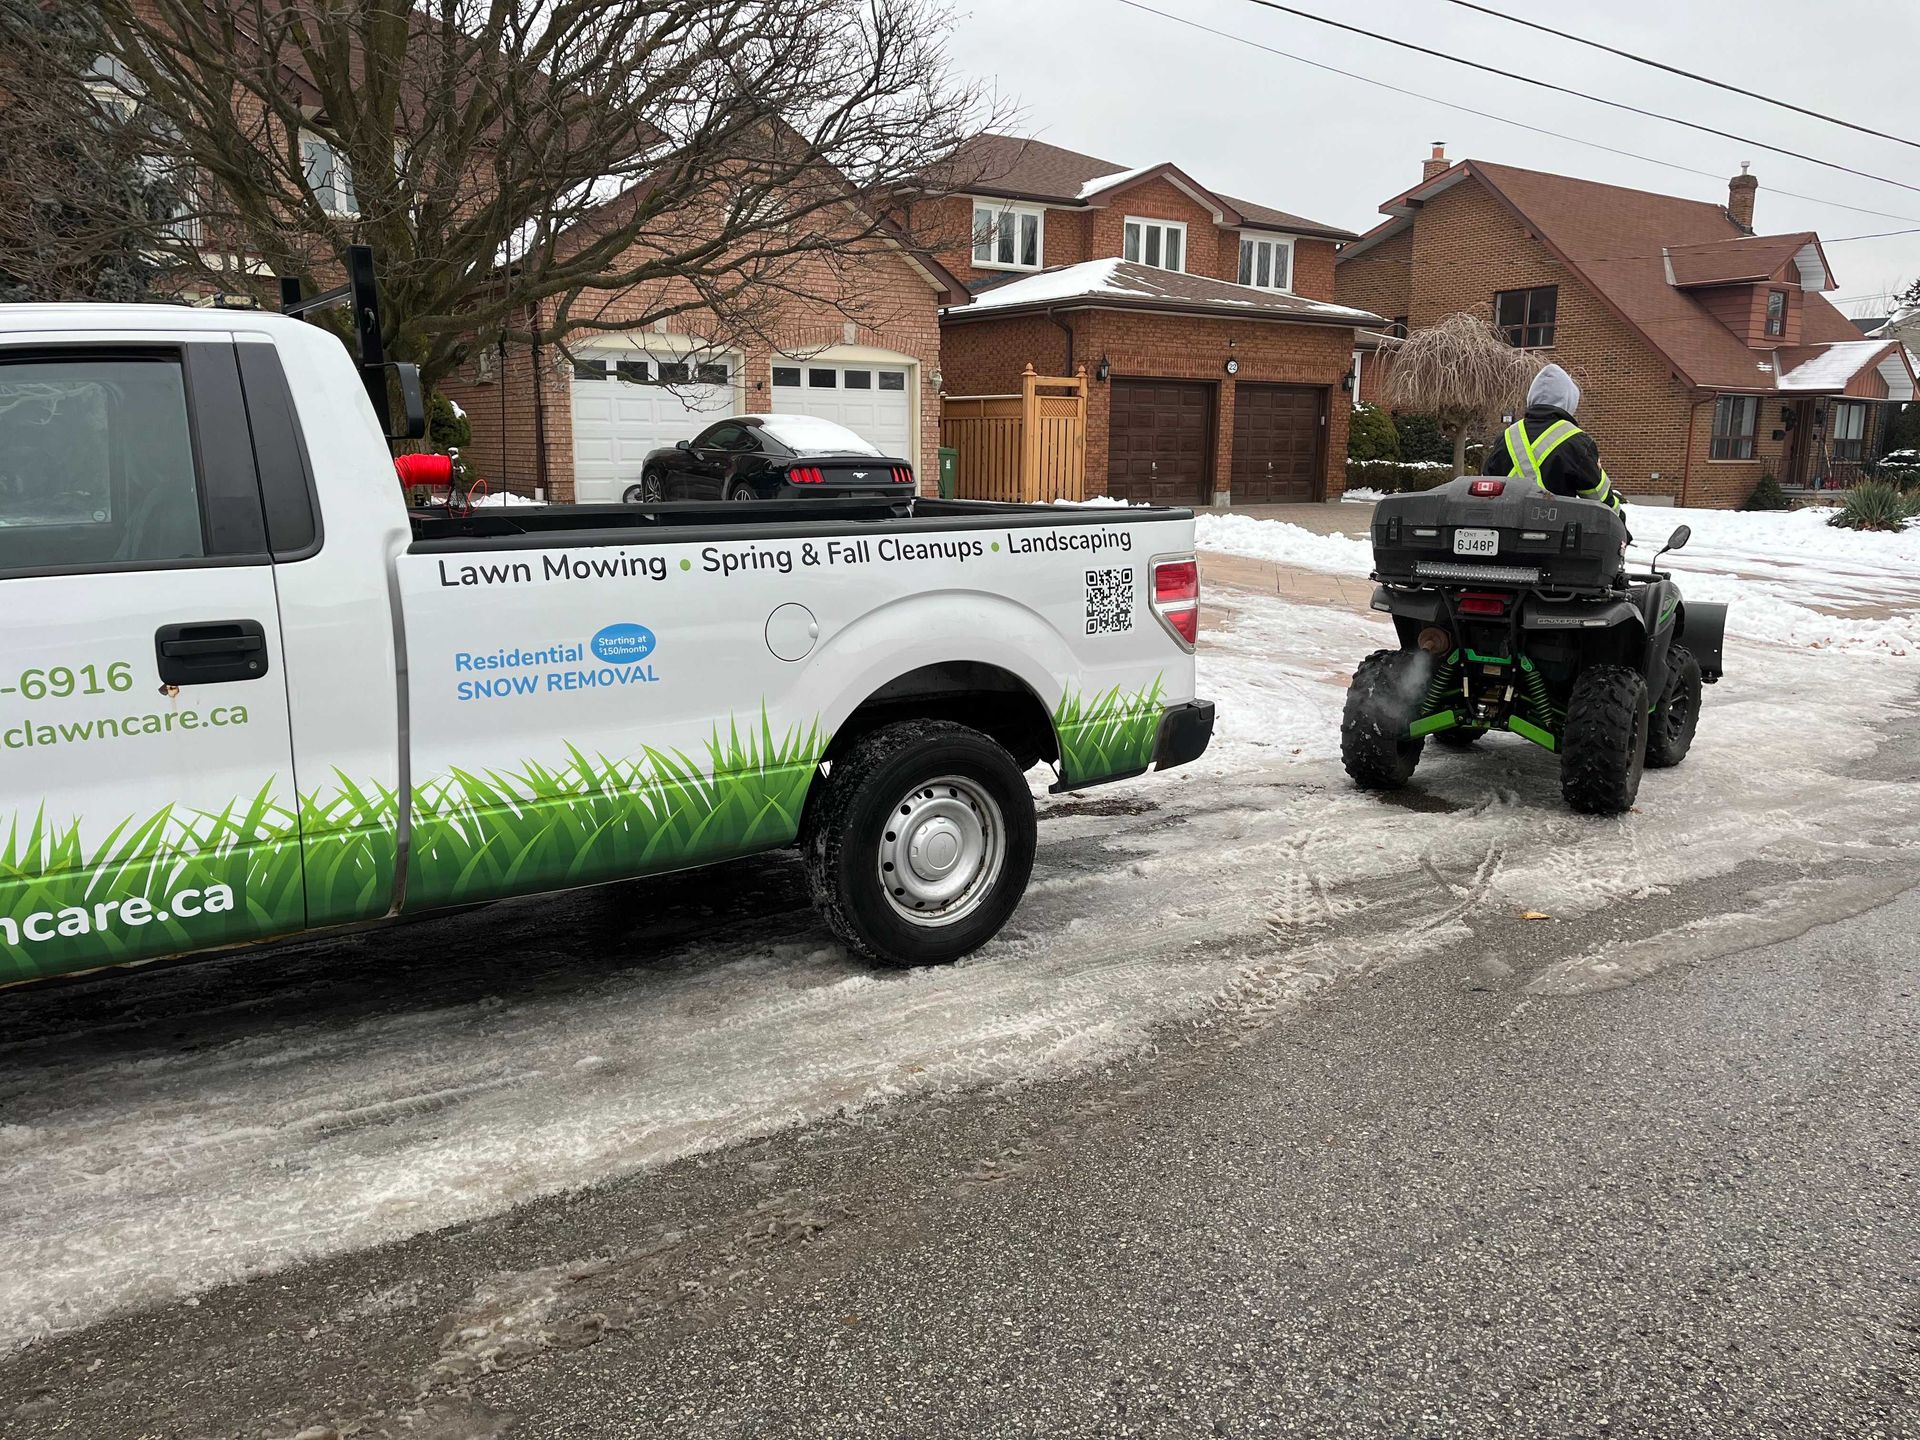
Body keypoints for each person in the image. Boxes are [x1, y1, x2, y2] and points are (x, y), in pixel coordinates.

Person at [1484, 363, 1623, 515]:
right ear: (1569, 401)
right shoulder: (1576, 440)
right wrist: (1620, 522)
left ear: (1532, 398)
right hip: (1556, 533)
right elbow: (1599, 498)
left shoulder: (1505, 436)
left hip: (1503, 528)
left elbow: (1488, 485)